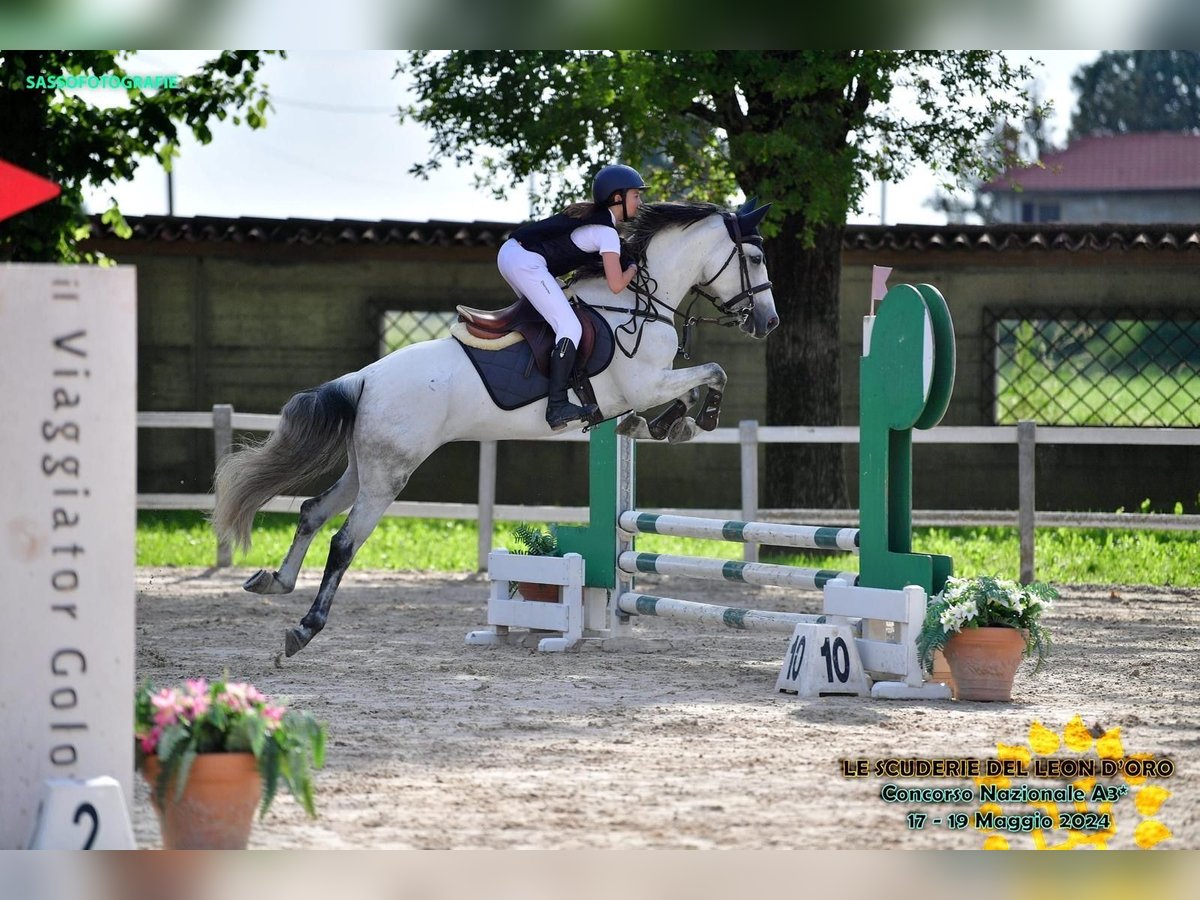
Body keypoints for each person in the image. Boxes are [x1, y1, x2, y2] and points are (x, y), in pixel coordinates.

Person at [498, 164, 645, 430]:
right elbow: (615, 285)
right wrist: (633, 268)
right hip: (525, 262)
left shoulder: (599, 222)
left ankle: (536, 385)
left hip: (512, 255)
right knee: (569, 326)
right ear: (617, 198)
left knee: (554, 321)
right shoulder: (607, 232)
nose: (640, 201)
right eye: (636, 195)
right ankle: (556, 406)